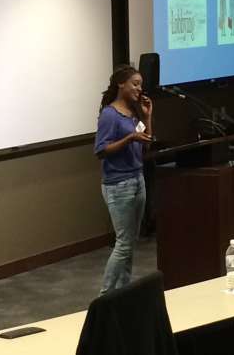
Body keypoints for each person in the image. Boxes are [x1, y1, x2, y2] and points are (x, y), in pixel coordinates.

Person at [94, 65, 153, 295]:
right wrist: (129, 138)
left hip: (137, 179)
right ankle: (106, 295)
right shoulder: (110, 114)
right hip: (118, 185)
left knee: (130, 243)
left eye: (141, 84)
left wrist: (148, 117)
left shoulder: (134, 112)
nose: (139, 88)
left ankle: (122, 293)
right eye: (135, 84)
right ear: (121, 84)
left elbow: (146, 142)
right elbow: (100, 150)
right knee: (124, 243)